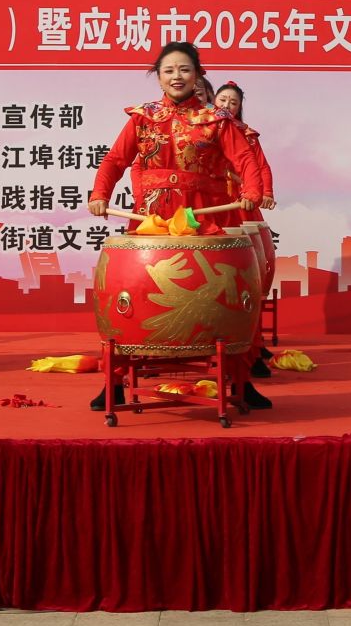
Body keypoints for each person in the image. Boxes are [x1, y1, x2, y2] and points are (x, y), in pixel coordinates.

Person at [88, 42, 265, 408]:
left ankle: (241, 381)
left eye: (184, 69)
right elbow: (115, 160)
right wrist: (100, 193)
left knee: (224, 299)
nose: (177, 76)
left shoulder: (216, 119)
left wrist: (252, 190)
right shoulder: (143, 118)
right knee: (132, 296)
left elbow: (244, 158)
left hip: (202, 217)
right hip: (152, 218)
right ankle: (114, 381)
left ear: (198, 74)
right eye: (168, 70)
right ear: (159, 77)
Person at [214, 80, 278, 376]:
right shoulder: (203, 129)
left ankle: (251, 344)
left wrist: (264, 192)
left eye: (233, 102)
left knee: (248, 271)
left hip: (241, 204)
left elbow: (260, 166)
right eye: (222, 100)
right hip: (213, 204)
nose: (227, 105)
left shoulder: (247, 135)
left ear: (239, 108)